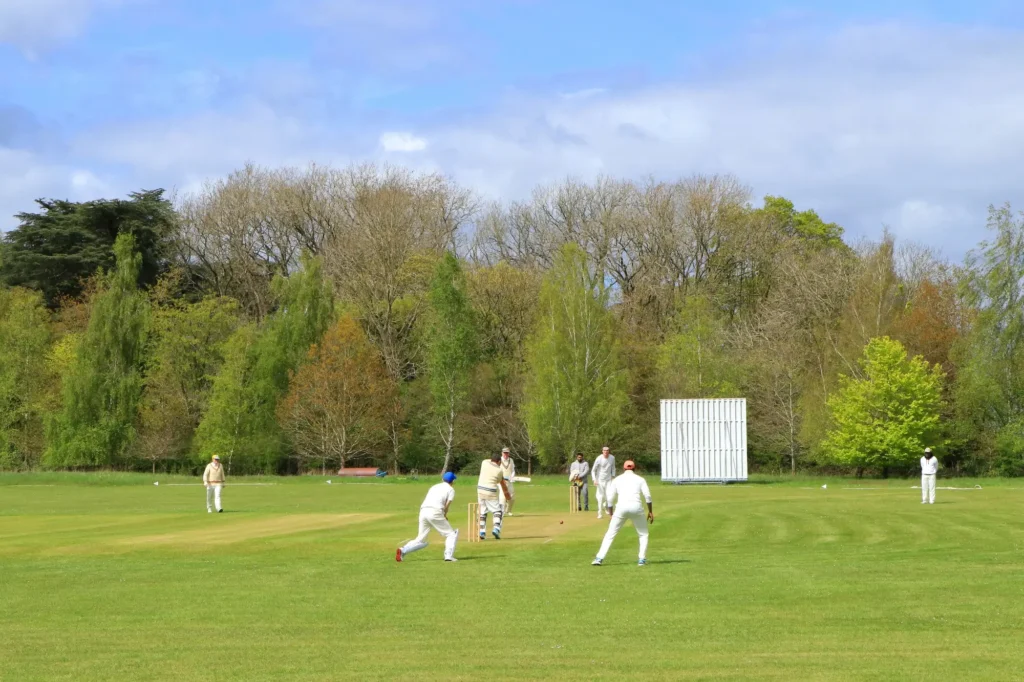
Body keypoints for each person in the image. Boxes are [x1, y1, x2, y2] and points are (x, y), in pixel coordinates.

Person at [592, 460, 653, 566]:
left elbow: (610, 499)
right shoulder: (640, 479)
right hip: (636, 507)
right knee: (643, 534)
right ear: (634, 468)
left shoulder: (617, 480)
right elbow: (647, 496)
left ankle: (599, 558)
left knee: (610, 534)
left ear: (624, 468)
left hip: (621, 508)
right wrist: (650, 511)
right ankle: (641, 559)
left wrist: (611, 514)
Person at [396, 472, 459, 562]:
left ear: (442, 479)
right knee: (451, 534)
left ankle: (403, 550)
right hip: (435, 511)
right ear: (452, 481)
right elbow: (447, 505)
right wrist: (444, 515)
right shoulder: (451, 489)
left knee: (421, 539)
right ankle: (448, 556)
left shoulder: (434, 486)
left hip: (423, 511)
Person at [477, 452, 513, 540]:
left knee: (482, 511)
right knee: (497, 511)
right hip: (490, 491)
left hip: (480, 490)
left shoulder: (484, 463)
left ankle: (482, 532)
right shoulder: (499, 471)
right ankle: (496, 529)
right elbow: (503, 486)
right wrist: (508, 497)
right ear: (499, 461)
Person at [591, 446, 616, 519]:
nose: (606, 452)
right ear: (602, 451)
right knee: (600, 497)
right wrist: (594, 479)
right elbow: (593, 470)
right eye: (604, 451)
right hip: (600, 480)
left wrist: (613, 476)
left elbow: (613, 468)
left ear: (609, 451)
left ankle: (606, 506)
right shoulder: (599, 458)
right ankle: (600, 513)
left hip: (608, 480)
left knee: (609, 495)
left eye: (607, 451)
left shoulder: (612, 458)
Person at [498, 447, 517, 516]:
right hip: (501, 481)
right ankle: (501, 512)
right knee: (503, 496)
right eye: (504, 453)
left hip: (509, 481)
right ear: (502, 453)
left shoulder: (511, 460)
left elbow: (513, 470)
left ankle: (508, 510)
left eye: (507, 453)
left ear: (508, 453)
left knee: (512, 496)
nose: (505, 454)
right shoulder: (499, 460)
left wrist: (512, 476)